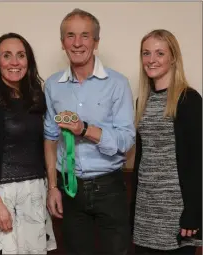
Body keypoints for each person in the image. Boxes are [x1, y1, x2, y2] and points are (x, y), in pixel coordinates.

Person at [44, 8, 135, 255]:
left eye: (85, 36)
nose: (77, 43)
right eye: (70, 36)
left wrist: (84, 129)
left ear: (96, 41)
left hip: (110, 188)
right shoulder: (52, 85)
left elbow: (126, 140)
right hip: (69, 189)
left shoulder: (118, 83)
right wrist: (53, 187)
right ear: (62, 42)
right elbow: (51, 138)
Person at [0, 32, 57, 254]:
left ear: (29, 61)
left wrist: (50, 188)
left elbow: (47, 144)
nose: (15, 62)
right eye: (7, 56)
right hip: (1, 195)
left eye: (21, 55)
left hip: (35, 194)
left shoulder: (38, 98)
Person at [130, 29, 202, 255]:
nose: (151, 60)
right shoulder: (142, 100)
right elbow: (142, 156)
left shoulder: (188, 99)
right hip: (145, 209)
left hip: (176, 210)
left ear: (173, 57)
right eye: (146, 53)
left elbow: (197, 159)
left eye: (160, 53)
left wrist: (194, 212)